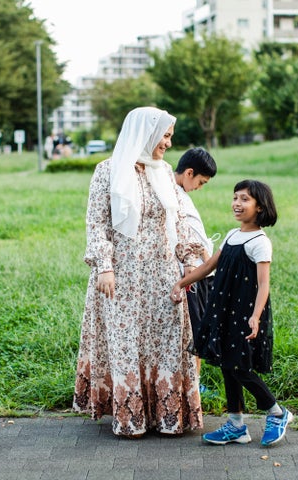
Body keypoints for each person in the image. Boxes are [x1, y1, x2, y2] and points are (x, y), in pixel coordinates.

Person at [73, 106, 204, 438]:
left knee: (166, 344)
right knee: (128, 344)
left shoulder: (164, 172)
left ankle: (167, 417)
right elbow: (96, 223)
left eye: (171, 136)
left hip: (163, 278)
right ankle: (131, 419)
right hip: (123, 279)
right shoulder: (108, 170)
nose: (168, 143)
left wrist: (189, 263)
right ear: (145, 132)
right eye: (165, 135)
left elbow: (181, 221)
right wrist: (104, 267)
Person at [170, 179, 292, 447]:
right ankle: (236, 425)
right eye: (235, 197)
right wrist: (182, 282)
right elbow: (210, 265)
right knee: (227, 365)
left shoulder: (260, 242)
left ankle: (277, 412)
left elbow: (264, 285)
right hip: (223, 311)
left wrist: (256, 316)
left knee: (240, 367)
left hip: (244, 314)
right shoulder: (231, 235)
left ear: (260, 207)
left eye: (245, 199)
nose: (237, 204)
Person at [173, 148, 218, 374]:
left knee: (198, 329)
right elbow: (192, 239)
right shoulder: (173, 195)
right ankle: (194, 383)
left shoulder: (180, 194)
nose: (200, 188)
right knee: (194, 330)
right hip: (190, 272)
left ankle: (194, 382)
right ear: (189, 173)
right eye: (201, 182)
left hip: (200, 271)